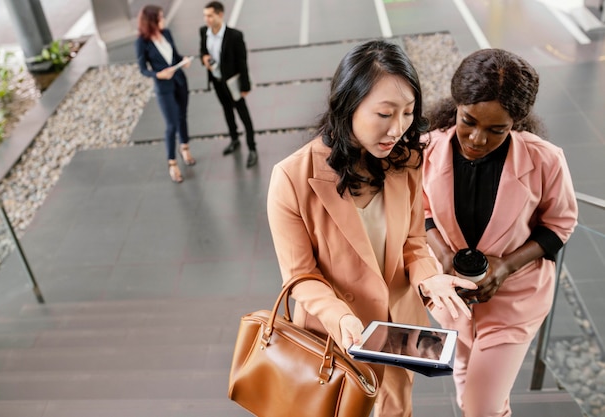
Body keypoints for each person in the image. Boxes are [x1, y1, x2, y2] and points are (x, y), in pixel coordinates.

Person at [267, 39, 478, 417]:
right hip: (335, 335)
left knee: (396, 411)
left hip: (397, 331)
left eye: (408, 113)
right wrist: (342, 318)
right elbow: (300, 276)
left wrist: (429, 277)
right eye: (384, 114)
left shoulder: (408, 162)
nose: (398, 129)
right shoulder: (291, 178)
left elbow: (413, 242)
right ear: (348, 105)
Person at [422, 48, 578, 416]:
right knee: (465, 375)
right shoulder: (427, 150)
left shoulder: (546, 159)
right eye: (468, 121)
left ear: (517, 124)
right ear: (456, 106)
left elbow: (560, 224)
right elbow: (420, 210)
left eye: (497, 130)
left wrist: (505, 267)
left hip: (515, 300)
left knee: (481, 406)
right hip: (452, 300)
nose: (477, 139)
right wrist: (443, 256)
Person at [136, 4, 195, 183]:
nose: (164, 20)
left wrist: (183, 60)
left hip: (179, 81)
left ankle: (184, 147)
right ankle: (172, 163)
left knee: (183, 116)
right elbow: (142, 69)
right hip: (164, 88)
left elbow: (174, 56)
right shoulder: (142, 42)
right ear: (151, 22)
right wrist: (158, 74)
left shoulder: (167, 33)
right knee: (171, 124)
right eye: (160, 18)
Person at [199, 1, 258, 169]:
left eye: (210, 15)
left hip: (233, 84)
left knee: (243, 115)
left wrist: (245, 87)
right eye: (205, 16)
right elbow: (202, 51)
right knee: (227, 111)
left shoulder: (235, 36)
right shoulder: (203, 32)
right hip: (217, 82)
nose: (206, 19)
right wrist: (204, 58)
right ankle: (234, 140)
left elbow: (242, 62)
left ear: (220, 15)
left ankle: (252, 148)